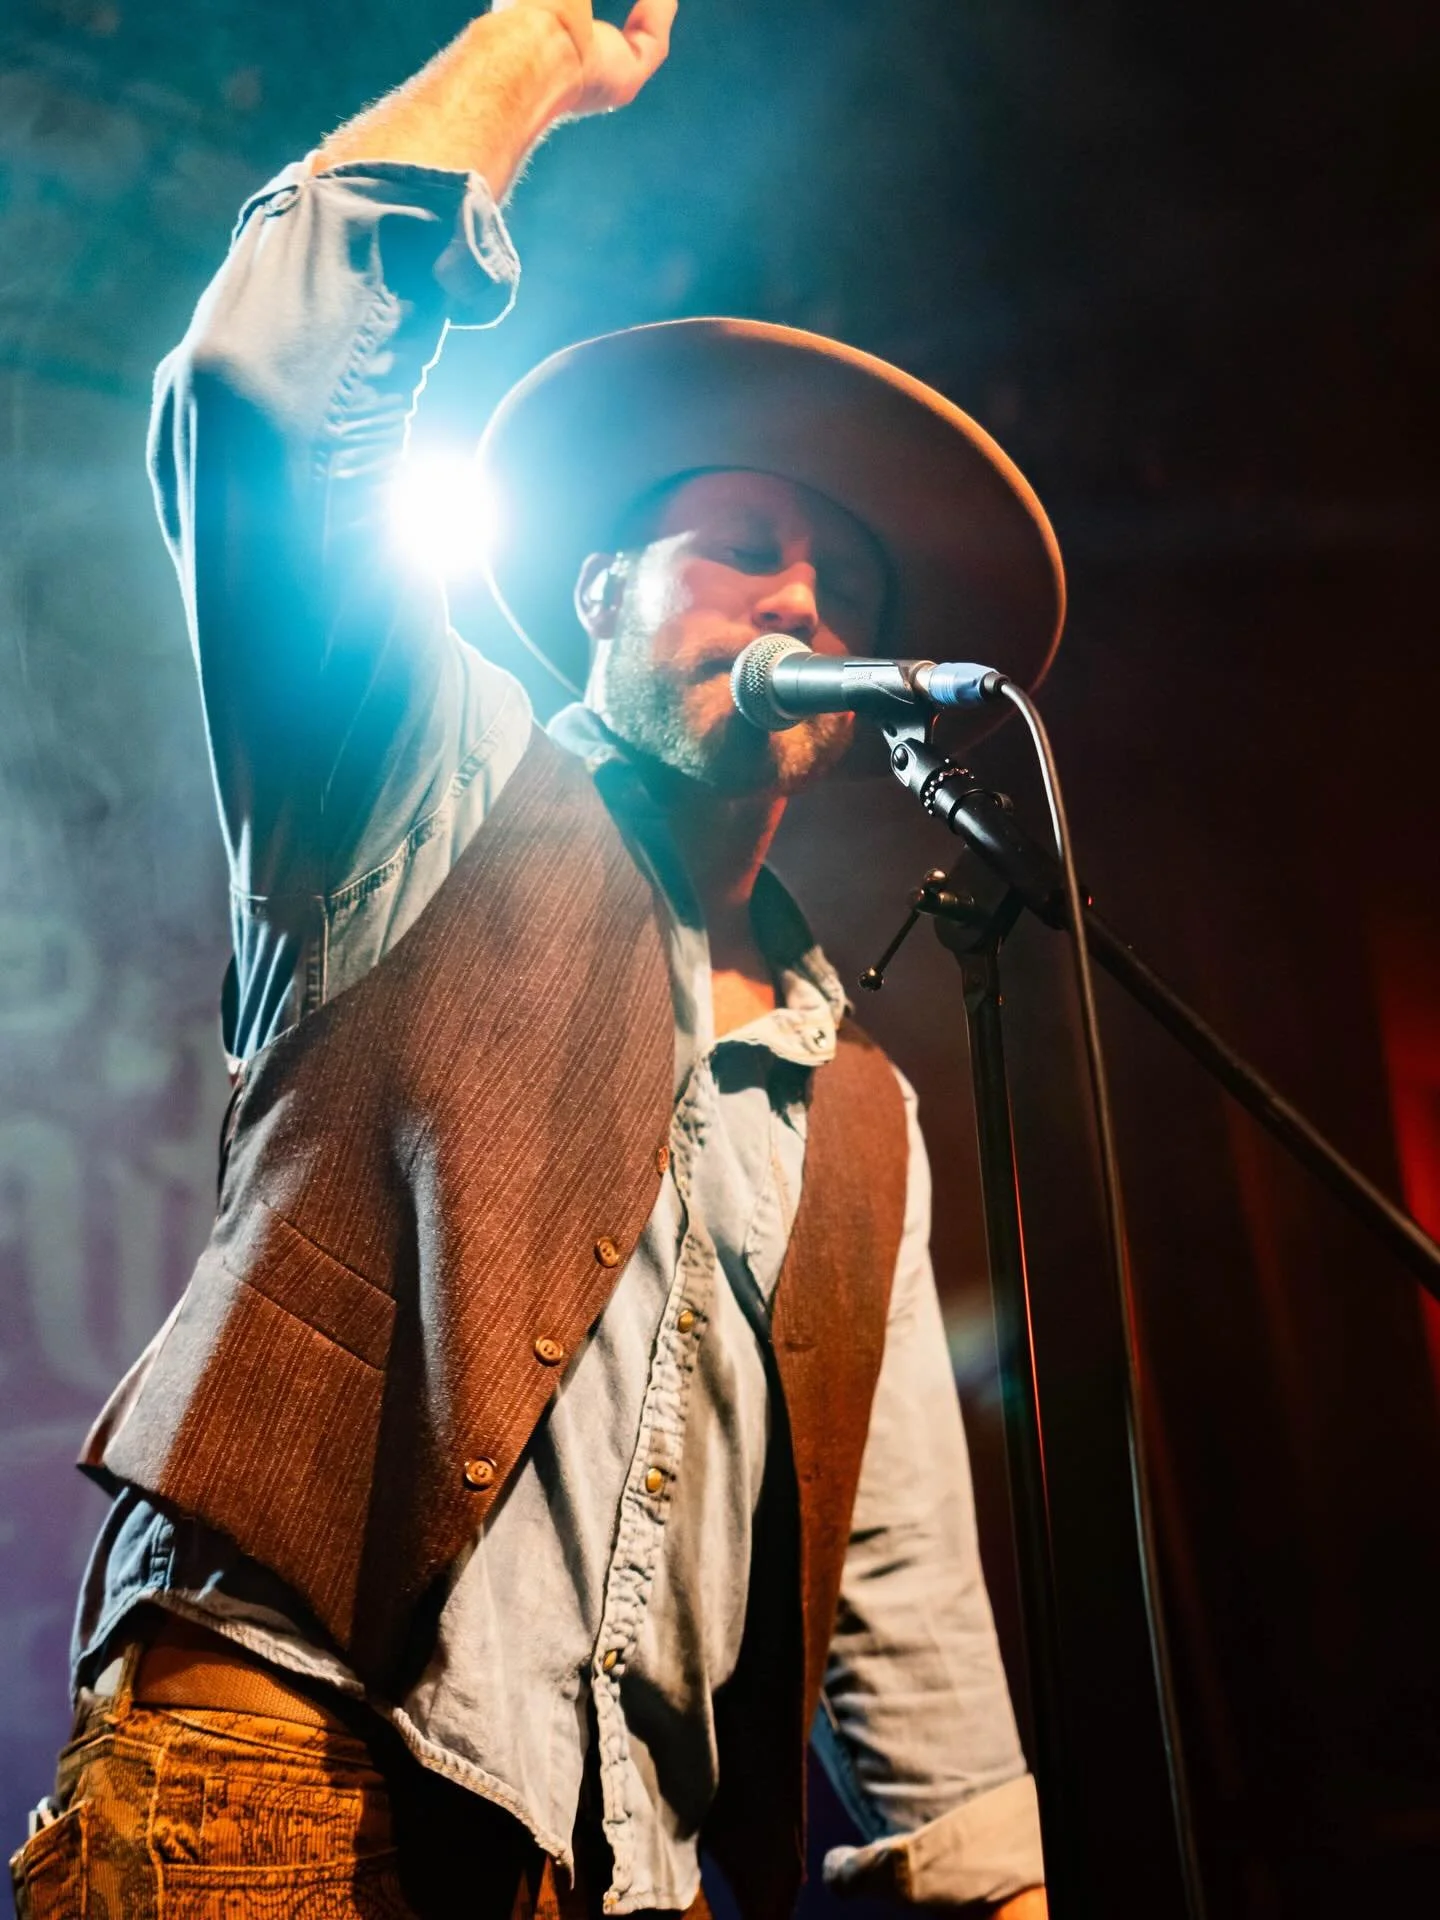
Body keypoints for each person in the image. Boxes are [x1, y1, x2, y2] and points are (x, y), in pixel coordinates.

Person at [9, 4, 1065, 1917]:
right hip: (273, 1785)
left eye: (840, 581)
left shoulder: (864, 1115)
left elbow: (905, 1622)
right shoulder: (422, 771)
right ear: (599, 590)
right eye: (740, 542)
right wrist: (542, 49)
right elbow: (254, 388)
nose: (800, 597)